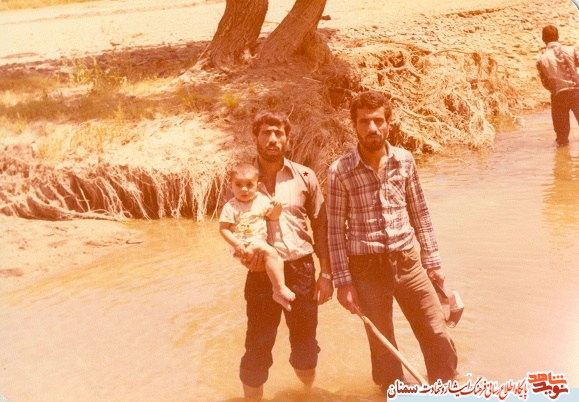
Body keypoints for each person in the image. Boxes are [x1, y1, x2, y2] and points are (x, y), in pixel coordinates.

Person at [326, 91, 458, 391]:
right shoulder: (339, 171)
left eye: (378, 121)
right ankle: (394, 393)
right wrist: (343, 283)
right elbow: (334, 231)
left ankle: (447, 390)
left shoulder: (405, 160)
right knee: (383, 345)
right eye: (364, 122)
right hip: (366, 269)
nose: (372, 128)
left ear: (389, 123)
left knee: (437, 331)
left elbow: (420, 213)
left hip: (408, 262)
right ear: (354, 125)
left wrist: (433, 263)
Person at [236, 110, 333, 401]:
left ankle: (306, 394)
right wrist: (244, 255)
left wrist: (326, 274)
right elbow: (232, 226)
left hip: (301, 271)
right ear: (255, 137)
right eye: (266, 133)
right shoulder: (240, 180)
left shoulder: (306, 176)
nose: (273, 139)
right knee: (257, 348)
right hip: (260, 272)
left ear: (288, 139)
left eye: (279, 133)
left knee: (306, 347)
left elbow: (321, 226)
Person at [219, 162, 295, 311]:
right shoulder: (230, 206)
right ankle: (279, 288)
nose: (244, 189)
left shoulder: (261, 200)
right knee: (271, 252)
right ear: (231, 187)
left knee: (278, 259)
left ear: (258, 186)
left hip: (258, 241)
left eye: (249, 185)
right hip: (242, 244)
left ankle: (277, 291)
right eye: (238, 185)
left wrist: (277, 207)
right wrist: (236, 243)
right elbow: (223, 229)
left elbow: (273, 217)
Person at [536, 24, 579, 147]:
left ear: (543, 39)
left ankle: (562, 152)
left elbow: (545, 82)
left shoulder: (541, 60)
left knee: (562, 138)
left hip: (559, 96)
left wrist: (555, 90)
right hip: (576, 92)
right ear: (558, 36)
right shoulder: (572, 50)